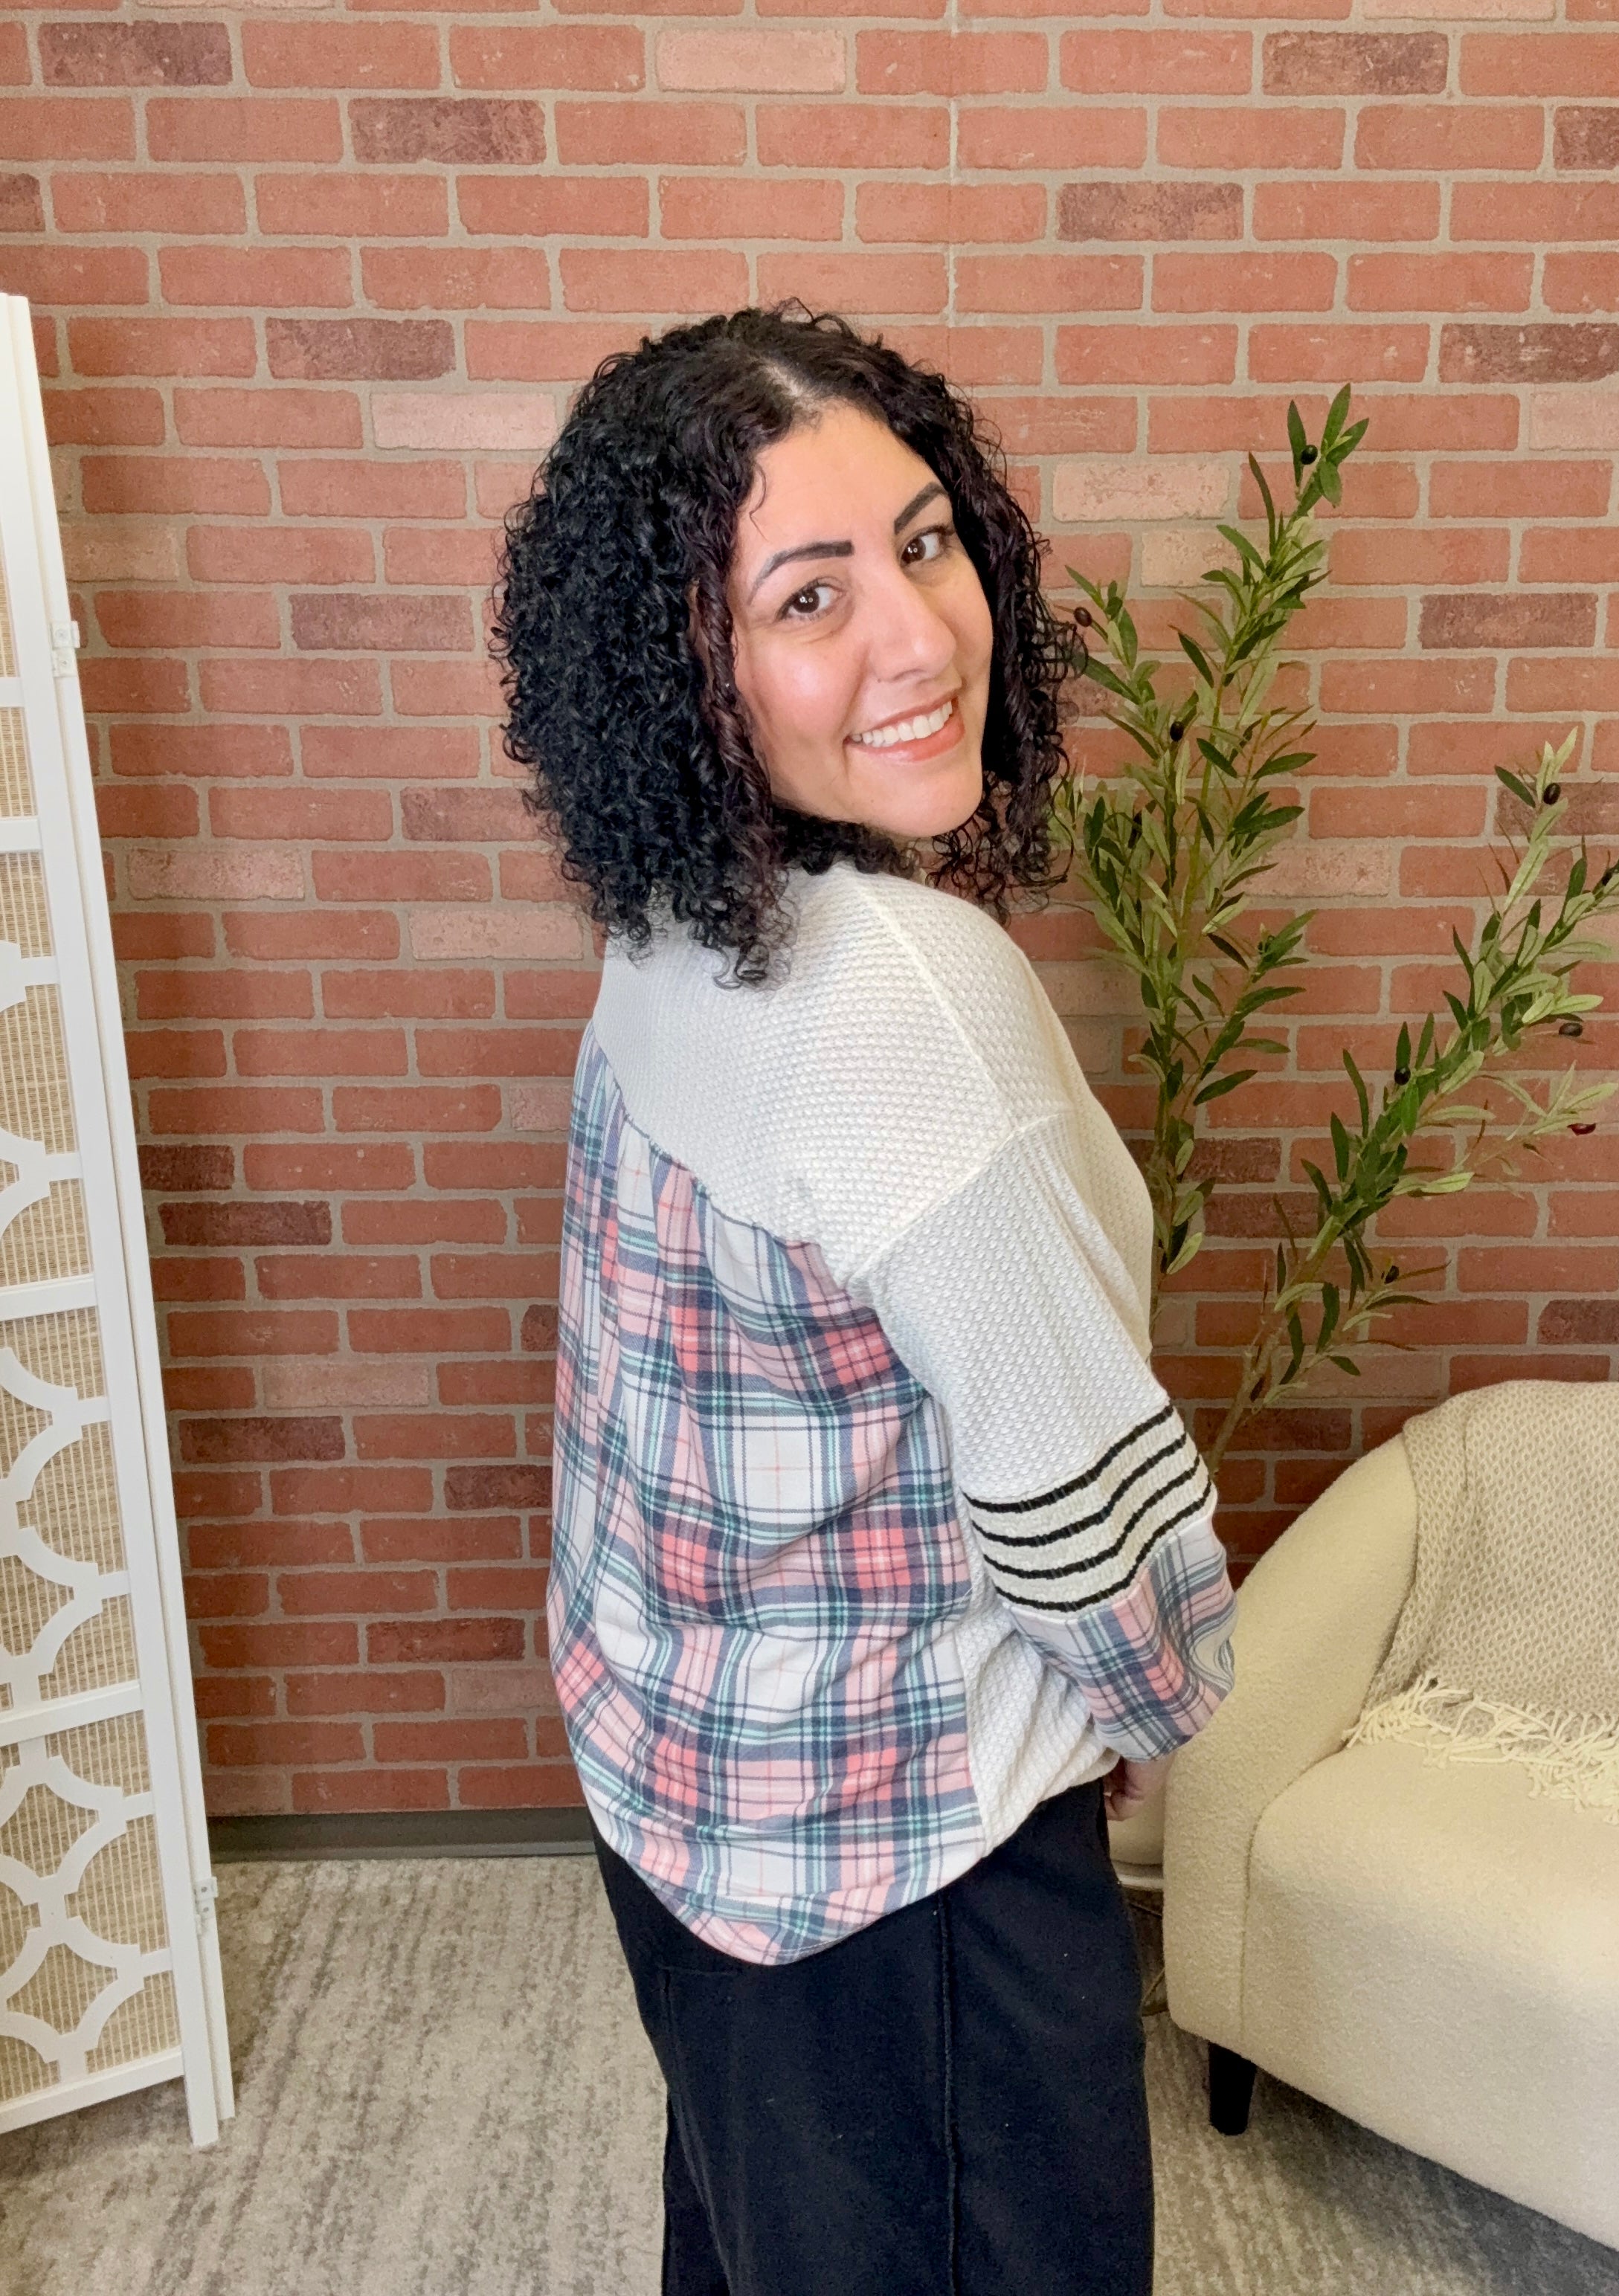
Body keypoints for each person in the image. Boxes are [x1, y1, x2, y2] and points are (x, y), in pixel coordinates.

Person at [490, 305, 1238, 2296]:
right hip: (908, 1864)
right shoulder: (907, 1001)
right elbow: (1076, 1496)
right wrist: (1145, 1707)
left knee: (764, 2238)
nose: (922, 637)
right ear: (685, 661)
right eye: (809, 594)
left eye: (924, 544)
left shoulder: (672, 916)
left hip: (684, 1795)